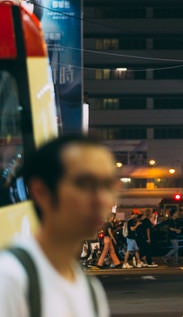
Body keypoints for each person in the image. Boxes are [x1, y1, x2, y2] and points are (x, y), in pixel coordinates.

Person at [0, 134, 114, 316]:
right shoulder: (11, 277)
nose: (101, 199)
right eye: (84, 184)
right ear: (41, 192)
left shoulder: (91, 289)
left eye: (108, 185)